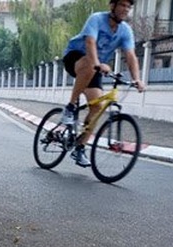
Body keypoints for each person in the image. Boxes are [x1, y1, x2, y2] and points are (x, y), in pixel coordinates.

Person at [61, 0, 146, 167]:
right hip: (75, 57)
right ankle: (70, 107)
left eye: (128, 7)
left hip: (96, 67)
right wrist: (97, 63)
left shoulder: (125, 31)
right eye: (122, 5)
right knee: (88, 63)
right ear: (112, 6)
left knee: (97, 107)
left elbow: (130, 56)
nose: (125, 9)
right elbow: (90, 43)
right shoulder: (97, 19)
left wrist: (137, 79)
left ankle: (79, 147)